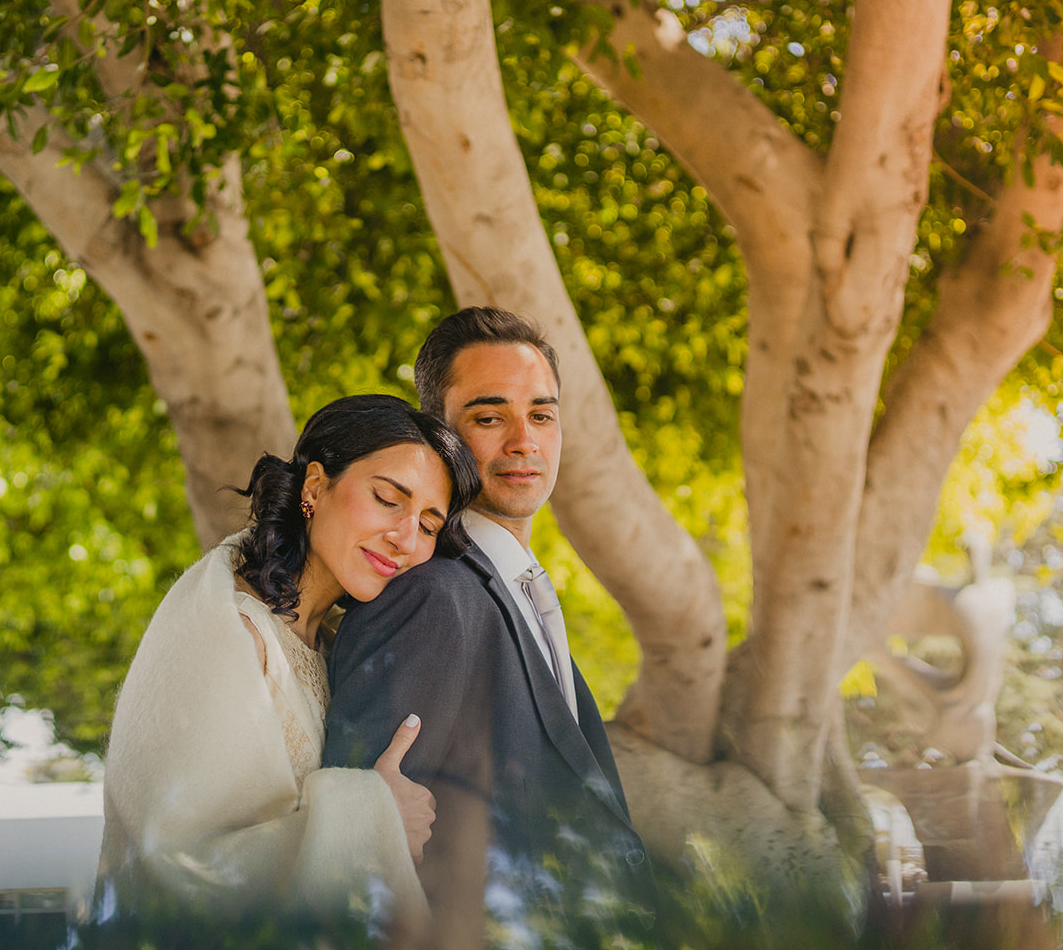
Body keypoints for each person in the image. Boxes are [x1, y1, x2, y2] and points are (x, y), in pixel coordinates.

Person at [100, 394, 483, 916]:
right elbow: (177, 863)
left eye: (429, 526)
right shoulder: (230, 631)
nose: (404, 538)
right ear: (315, 486)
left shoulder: (326, 641)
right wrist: (376, 817)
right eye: (389, 499)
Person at [323, 308, 652, 905]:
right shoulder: (430, 598)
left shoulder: (519, 592)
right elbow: (367, 860)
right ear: (438, 433)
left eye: (542, 415)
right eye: (490, 416)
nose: (523, 441)